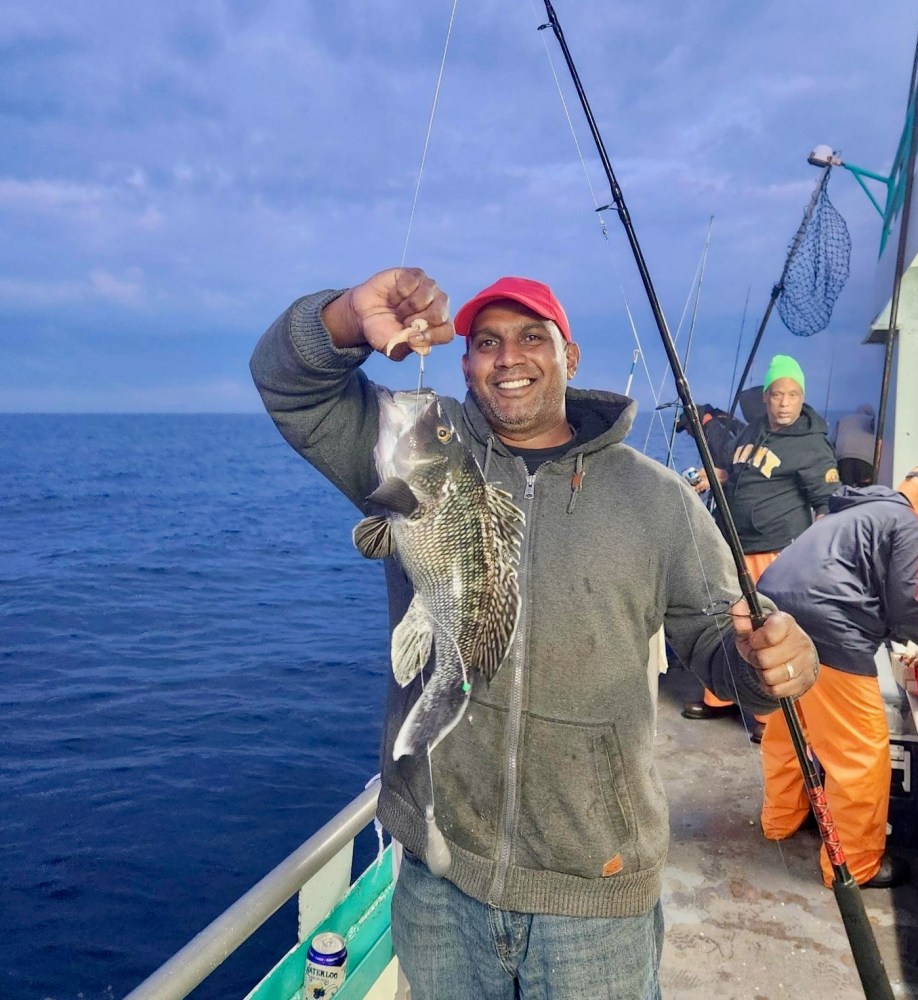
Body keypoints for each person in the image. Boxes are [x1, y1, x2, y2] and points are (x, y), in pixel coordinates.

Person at [250, 268, 819, 999]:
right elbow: (288, 383)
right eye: (486, 342)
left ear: (569, 356)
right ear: (465, 364)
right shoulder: (421, 458)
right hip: (440, 879)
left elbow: (719, 648)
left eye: (530, 338)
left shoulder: (658, 498)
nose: (507, 357)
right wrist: (344, 320)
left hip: (596, 898)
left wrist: (768, 664)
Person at [756, 463, 918, 889]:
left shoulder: (851, 510)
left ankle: (781, 820)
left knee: (789, 728)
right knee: (860, 755)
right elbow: (910, 605)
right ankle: (855, 866)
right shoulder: (911, 521)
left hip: (774, 616)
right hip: (831, 630)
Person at [682, 354, 840, 738]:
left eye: (793, 394)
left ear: (802, 397)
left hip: (776, 551)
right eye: (777, 394)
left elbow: (827, 503)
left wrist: (816, 561)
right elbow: (738, 471)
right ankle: (720, 696)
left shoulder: (813, 445)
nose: (785, 402)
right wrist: (713, 475)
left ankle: (768, 718)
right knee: (725, 622)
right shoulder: (752, 430)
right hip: (734, 545)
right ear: (765, 397)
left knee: (766, 630)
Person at [675, 403, 744, 473]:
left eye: (687, 429)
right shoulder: (722, 417)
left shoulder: (713, 432)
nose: (688, 433)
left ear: (693, 424)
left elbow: (724, 466)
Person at [833, 403, 877, 487]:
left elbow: (832, 442)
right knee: (865, 491)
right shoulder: (872, 421)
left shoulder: (843, 420)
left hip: (843, 460)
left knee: (845, 490)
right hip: (866, 462)